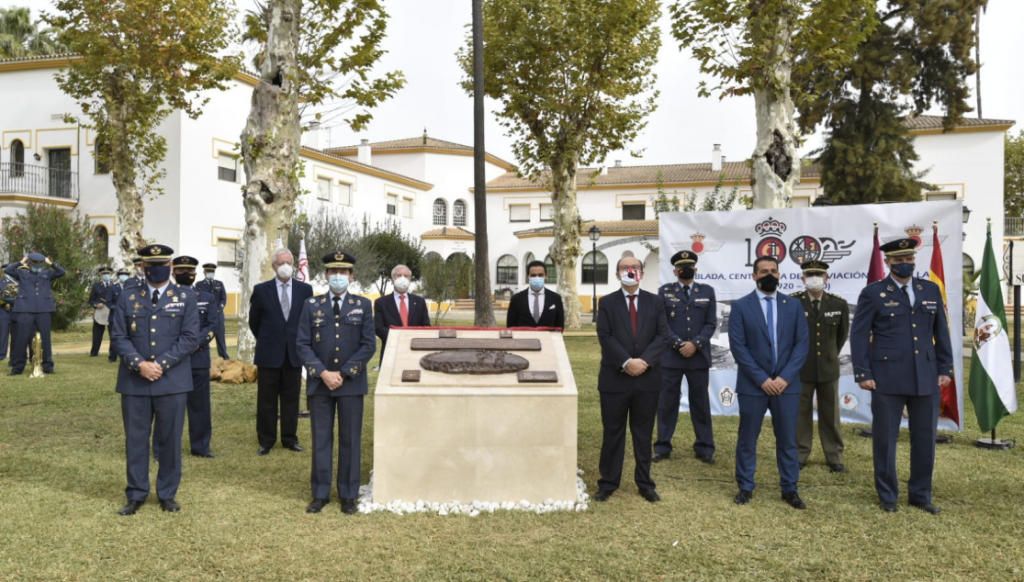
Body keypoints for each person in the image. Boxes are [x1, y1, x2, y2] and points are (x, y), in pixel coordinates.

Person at [850, 238, 953, 514]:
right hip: (887, 378)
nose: (904, 263)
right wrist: (863, 372)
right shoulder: (873, 293)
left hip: (926, 377)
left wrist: (945, 368)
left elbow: (941, 332)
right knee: (885, 440)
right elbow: (858, 335)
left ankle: (920, 494)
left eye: (908, 258)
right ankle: (888, 495)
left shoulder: (929, 289)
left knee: (925, 438)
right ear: (888, 263)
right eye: (898, 260)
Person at [110, 244, 199, 515]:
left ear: (170, 266)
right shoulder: (128, 296)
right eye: (151, 265)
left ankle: (167, 493)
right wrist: (140, 365)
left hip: (172, 381)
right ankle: (136, 493)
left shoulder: (185, 296)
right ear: (143, 268)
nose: (156, 269)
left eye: (162, 264)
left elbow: (190, 337)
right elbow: (118, 336)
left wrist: (159, 364)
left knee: (170, 440)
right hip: (135, 382)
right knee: (136, 440)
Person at [297, 251, 376, 514]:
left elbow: (368, 345)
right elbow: (303, 344)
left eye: (343, 272)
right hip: (320, 384)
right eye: (333, 272)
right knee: (321, 439)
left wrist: (344, 372)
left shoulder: (363, 305)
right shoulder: (311, 305)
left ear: (352, 276)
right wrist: (322, 373)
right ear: (326, 275)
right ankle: (320, 493)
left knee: (350, 439)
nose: (338, 277)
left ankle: (348, 494)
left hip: (351, 383)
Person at [728, 256, 809, 509]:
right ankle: (745, 486)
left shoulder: (793, 306)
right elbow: (738, 347)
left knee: (787, 439)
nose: (769, 275)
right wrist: (762, 379)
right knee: (747, 438)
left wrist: (784, 378)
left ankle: (790, 487)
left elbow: (801, 344)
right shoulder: (741, 306)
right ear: (754, 276)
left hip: (787, 386)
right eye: (763, 271)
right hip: (754, 386)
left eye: (774, 271)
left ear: (780, 275)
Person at [593, 256, 668, 504]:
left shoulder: (656, 303)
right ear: (617, 274)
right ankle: (608, 482)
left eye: (634, 267)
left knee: (643, 434)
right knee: (613, 432)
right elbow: (605, 336)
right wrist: (627, 362)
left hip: (647, 380)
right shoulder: (606, 303)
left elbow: (662, 336)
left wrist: (644, 361)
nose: (630, 271)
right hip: (615, 379)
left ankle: (645, 483)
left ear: (642, 273)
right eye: (625, 268)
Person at [654, 250, 717, 464]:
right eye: (682, 266)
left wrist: (695, 344)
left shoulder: (707, 291)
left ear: (696, 268)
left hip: (698, 357)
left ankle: (705, 447)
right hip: (671, 357)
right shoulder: (664, 292)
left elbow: (711, 324)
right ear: (674, 270)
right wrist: (679, 344)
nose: (686, 269)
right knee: (667, 403)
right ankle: (662, 446)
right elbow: (661, 324)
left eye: (690, 265)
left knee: (700, 403)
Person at [249, 248, 312, 455]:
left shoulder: (305, 290)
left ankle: (289, 438)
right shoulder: (261, 290)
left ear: (294, 265)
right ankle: (266, 440)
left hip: (294, 354)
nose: (285, 266)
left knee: (291, 398)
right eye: (281, 262)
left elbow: (307, 321)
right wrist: (269, 339)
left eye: (288, 262)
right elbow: (254, 322)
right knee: (266, 400)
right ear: (274, 266)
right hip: (269, 354)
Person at [792, 260, 849, 473]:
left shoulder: (838, 304)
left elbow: (840, 337)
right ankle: (800, 453)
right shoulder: (793, 303)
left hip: (828, 368)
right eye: (810, 274)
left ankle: (834, 456)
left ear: (827, 278)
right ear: (802, 278)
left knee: (831, 414)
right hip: (801, 368)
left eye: (819, 274)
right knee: (800, 413)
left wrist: (829, 355)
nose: (815, 278)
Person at [173, 256, 220, 458]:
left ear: (195, 274)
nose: (186, 275)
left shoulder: (207, 297)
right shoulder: (166, 296)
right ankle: (164, 447)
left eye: (189, 271)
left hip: (198, 358)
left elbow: (211, 325)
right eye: (181, 271)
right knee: (170, 408)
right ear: (174, 273)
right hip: (173, 360)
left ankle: (200, 446)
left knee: (200, 406)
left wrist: (193, 343)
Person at [5, 252, 65, 375]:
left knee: (45, 340)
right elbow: (9, 270)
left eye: (40, 263)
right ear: (30, 263)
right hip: (25, 310)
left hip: (43, 310)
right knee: (21, 339)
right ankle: (17, 367)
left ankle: (47, 366)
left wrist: (50, 263)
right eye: (35, 263)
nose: (37, 265)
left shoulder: (47, 274)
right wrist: (21, 262)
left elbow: (61, 272)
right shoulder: (22, 273)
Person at [373, 264, 430, 363]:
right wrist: (399, 338)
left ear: (410, 279)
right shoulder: (381, 302)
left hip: (415, 351)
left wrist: (412, 338)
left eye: (406, 276)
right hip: (390, 352)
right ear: (392, 279)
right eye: (399, 275)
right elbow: (378, 328)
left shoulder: (420, 302)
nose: (402, 278)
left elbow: (426, 326)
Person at [506, 260, 566, 329]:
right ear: (528, 276)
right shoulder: (516, 299)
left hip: (547, 339)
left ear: (546, 276)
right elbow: (510, 326)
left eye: (540, 275)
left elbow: (560, 326)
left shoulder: (555, 298)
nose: (537, 278)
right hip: (524, 338)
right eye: (533, 275)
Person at [195, 262, 229, 359]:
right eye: (208, 271)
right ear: (204, 272)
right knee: (204, 338)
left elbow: (223, 298)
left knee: (221, 339)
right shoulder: (199, 285)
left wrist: (218, 309)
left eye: (212, 271)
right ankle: (202, 358)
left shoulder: (219, 284)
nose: (210, 273)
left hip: (218, 316)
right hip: (204, 317)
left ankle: (224, 358)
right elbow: (198, 299)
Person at [89, 266, 118, 362]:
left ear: (111, 275)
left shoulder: (115, 285)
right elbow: (91, 300)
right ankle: (94, 352)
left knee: (113, 334)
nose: (106, 275)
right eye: (104, 274)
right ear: (100, 275)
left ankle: (112, 353)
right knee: (97, 334)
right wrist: (96, 304)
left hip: (112, 312)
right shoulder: (96, 285)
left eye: (108, 274)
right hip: (99, 313)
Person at [0, 264, 16, 361]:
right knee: (3, 334)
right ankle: (1, 354)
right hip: (3, 311)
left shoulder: (18, 281)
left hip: (16, 310)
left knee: (17, 334)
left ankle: (16, 354)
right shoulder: (1, 282)